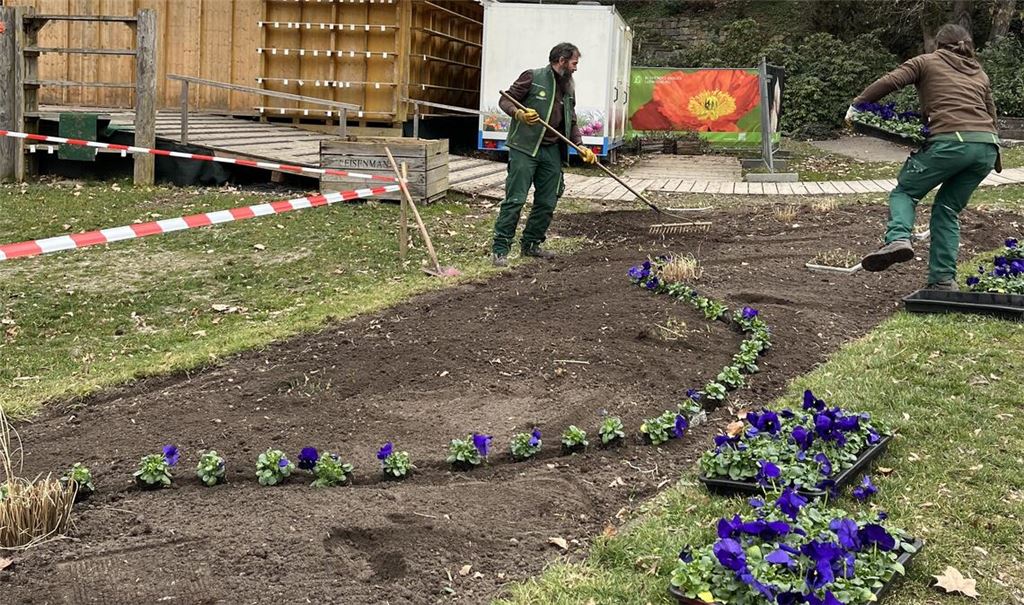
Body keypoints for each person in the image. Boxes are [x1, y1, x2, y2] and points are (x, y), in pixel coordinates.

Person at [847, 23, 1001, 291]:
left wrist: (857, 105)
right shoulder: (980, 74)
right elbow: (991, 113)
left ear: (937, 45)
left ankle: (897, 239)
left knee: (905, 192)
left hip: (951, 142)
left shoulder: (925, 61)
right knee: (947, 209)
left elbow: (890, 81)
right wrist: (995, 158)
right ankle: (942, 281)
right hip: (986, 147)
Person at [491, 42, 598, 268]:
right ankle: (500, 250)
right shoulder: (532, 77)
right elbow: (505, 99)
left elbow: (572, 120)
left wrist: (580, 145)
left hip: (551, 150)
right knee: (516, 199)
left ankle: (531, 244)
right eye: (574, 63)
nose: (576, 68)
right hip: (525, 148)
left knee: (548, 200)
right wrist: (518, 113)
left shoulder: (569, 86)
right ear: (561, 60)